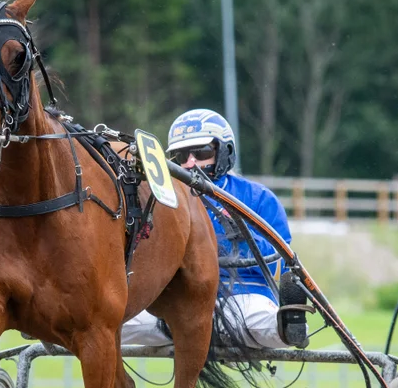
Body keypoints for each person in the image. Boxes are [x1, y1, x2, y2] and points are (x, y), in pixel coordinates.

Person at [121, 109, 308, 350]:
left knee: (262, 323)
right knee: (111, 322)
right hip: (174, 304)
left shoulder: (258, 198)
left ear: (224, 152)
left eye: (201, 153)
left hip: (242, 297)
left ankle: (289, 325)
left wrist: (240, 235)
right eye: (180, 156)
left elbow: (278, 262)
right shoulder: (162, 199)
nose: (190, 162)